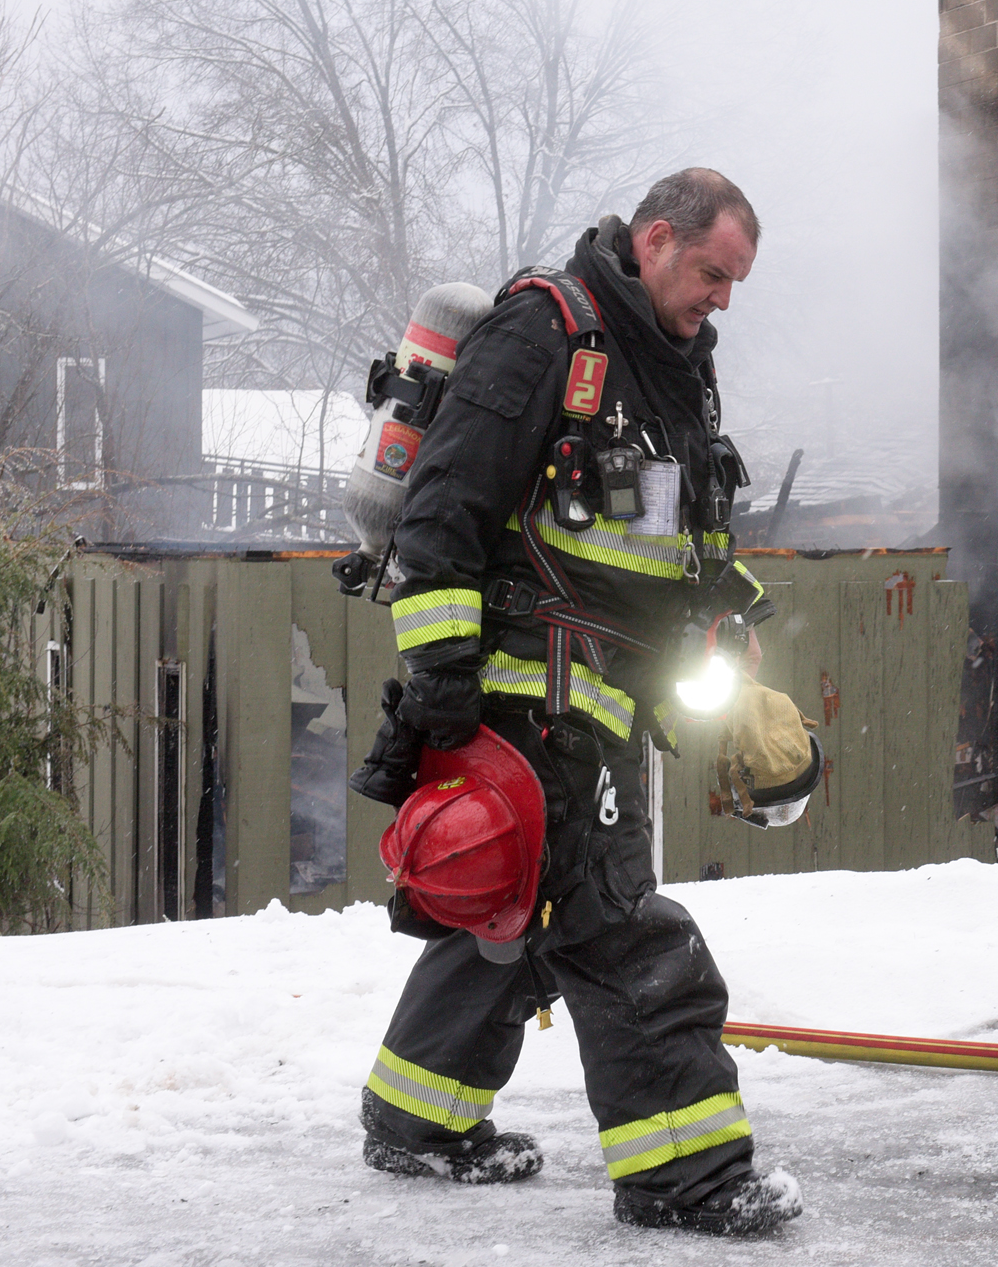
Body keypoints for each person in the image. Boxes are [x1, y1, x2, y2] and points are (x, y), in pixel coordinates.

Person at [349, 168, 806, 1236]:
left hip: (595, 696)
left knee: (510, 911)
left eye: (736, 282)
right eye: (713, 272)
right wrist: (447, 685)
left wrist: (730, 635)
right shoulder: (544, 333)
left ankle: (416, 1120)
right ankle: (685, 1176)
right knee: (622, 933)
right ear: (655, 239)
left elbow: (671, 546)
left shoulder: (671, 371)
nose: (723, 299)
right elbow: (443, 515)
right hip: (527, 698)